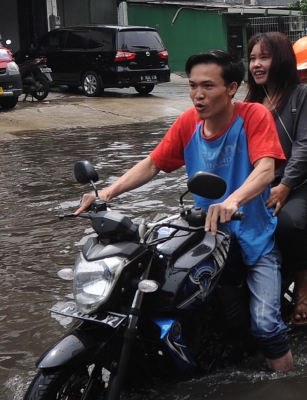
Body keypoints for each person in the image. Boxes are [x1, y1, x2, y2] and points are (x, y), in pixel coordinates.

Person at [76, 49, 293, 371]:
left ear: (231, 88)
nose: (197, 95)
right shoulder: (189, 122)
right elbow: (153, 164)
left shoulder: (253, 116)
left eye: (207, 86)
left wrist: (232, 201)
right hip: (206, 235)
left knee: (265, 326)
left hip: (253, 236)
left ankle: (289, 393)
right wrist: (106, 192)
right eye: (192, 86)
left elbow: (265, 170)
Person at [245, 32, 307, 325]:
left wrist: (285, 185)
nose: (256, 64)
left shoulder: (301, 94)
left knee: (287, 223)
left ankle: (303, 284)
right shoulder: (249, 102)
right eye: (253, 58)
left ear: (279, 59)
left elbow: (305, 144)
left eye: (264, 57)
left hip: (297, 186)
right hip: (258, 186)